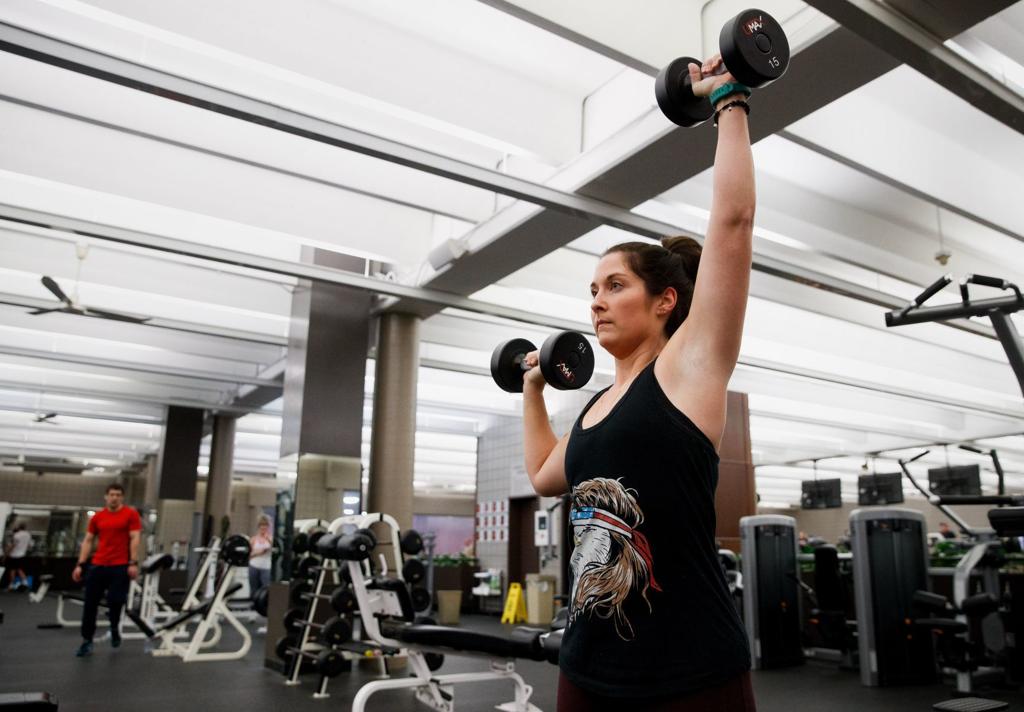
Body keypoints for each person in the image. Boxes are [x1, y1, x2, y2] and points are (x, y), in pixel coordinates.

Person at [520, 54, 756, 710]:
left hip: (687, 671)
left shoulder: (687, 372)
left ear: (664, 302)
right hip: (586, 665)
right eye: (592, 290)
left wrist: (729, 101)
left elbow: (733, 225)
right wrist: (532, 390)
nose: (596, 301)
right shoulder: (596, 406)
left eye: (615, 285)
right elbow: (542, 474)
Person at [71, 483, 141, 657]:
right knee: (90, 604)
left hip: (120, 566)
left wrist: (133, 562)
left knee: (115, 601)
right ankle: (87, 641)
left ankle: (114, 628)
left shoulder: (130, 515)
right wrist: (80, 564)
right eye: (111, 494)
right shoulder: (98, 517)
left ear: (122, 497)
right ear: (106, 497)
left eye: (118, 495)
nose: (114, 498)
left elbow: (135, 538)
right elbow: (88, 541)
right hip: (98, 565)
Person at [248, 514, 273, 600]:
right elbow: (249, 554)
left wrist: (268, 539)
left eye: (265, 525)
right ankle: (253, 603)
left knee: (266, 588)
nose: (263, 527)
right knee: (254, 589)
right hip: (254, 566)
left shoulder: (271, 538)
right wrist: (258, 552)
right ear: (258, 526)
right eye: (261, 525)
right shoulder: (253, 539)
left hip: (266, 567)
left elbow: (275, 549)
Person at [5, 523, 32, 590]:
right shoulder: (28, 534)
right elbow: (29, 546)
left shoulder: (16, 535)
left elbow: (12, 546)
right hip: (22, 554)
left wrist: (7, 553)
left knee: (12, 570)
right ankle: (25, 583)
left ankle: (12, 585)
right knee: (19, 569)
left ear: (19, 527)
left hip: (14, 555)